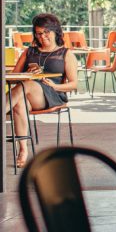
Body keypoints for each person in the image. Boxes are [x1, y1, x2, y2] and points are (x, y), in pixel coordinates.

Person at [8, 13, 79, 167]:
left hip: (53, 94)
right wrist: (27, 73)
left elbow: (73, 84)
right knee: (20, 103)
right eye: (39, 33)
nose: (42, 36)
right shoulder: (29, 52)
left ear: (56, 32)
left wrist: (54, 86)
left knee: (27, 85)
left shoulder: (66, 54)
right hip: (28, 94)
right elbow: (13, 77)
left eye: (47, 32)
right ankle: (23, 149)